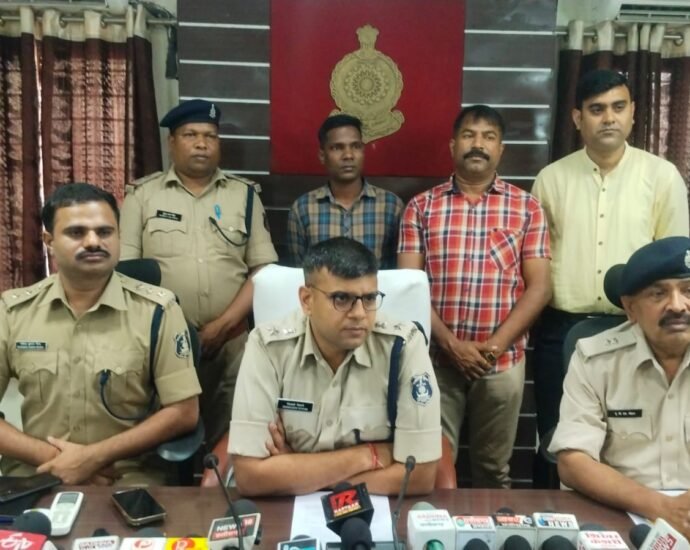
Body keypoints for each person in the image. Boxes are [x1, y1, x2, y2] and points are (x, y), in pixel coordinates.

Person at [0, 183, 201, 485]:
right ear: (49, 241)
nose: (93, 241)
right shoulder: (13, 312)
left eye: (105, 232)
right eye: (76, 232)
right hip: (38, 475)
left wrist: (93, 458)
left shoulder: (158, 310)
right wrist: (55, 459)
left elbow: (184, 412)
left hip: (124, 478)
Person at [398, 105, 551, 488]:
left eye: (488, 137)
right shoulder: (421, 207)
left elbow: (540, 287)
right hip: (436, 361)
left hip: (502, 364)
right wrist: (452, 346)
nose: (477, 144)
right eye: (468, 135)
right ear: (453, 146)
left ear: (501, 149)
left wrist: (492, 349)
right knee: (434, 469)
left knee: (493, 470)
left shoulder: (527, 207)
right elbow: (408, 286)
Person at [531, 69, 689, 440]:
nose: (609, 118)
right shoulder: (550, 179)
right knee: (557, 437)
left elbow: (676, 266)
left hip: (638, 327)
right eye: (597, 109)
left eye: (618, 107)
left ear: (633, 112)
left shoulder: (662, 176)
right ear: (577, 118)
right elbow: (536, 262)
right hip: (560, 329)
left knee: (632, 439)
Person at [120, 99, 278, 448]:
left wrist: (222, 325)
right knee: (166, 439)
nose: (202, 144)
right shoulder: (142, 196)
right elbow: (127, 274)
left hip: (231, 343)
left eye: (210, 136)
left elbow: (262, 269)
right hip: (162, 344)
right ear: (171, 142)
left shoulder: (244, 195)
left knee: (233, 437)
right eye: (190, 135)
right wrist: (170, 328)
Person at [229, 237, 441, 496]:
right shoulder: (267, 346)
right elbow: (250, 476)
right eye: (342, 298)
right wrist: (368, 455)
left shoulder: (404, 345)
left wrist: (296, 471)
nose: (360, 313)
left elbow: (419, 477)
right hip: (289, 510)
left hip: (374, 508)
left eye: (369, 298)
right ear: (307, 300)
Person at [550, 236, 690, 534]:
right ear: (630, 308)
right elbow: (573, 461)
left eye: (688, 291)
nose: (677, 306)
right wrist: (660, 508)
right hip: (619, 514)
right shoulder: (595, 360)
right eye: (658, 294)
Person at [286, 114, 403, 269]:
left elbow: (398, 273)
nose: (348, 155)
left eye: (356, 146)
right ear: (322, 155)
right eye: (337, 147)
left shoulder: (391, 206)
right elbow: (298, 273)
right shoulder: (303, 209)